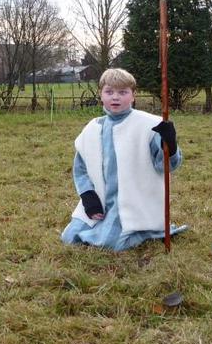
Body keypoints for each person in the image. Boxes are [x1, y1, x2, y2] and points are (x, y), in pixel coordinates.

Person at [61, 68, 185, 250]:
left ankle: (141, 229)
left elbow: (165, 166)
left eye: (123, 92)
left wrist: (170, 143)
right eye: (109, 92)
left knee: (110, 243)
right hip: (103, 202)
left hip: (134, 203)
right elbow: (80, 168)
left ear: (133, 95)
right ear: (101, 95)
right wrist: (88, 197)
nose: (115, 97)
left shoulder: (150, 125)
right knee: (69, 237)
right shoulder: (92, 128)